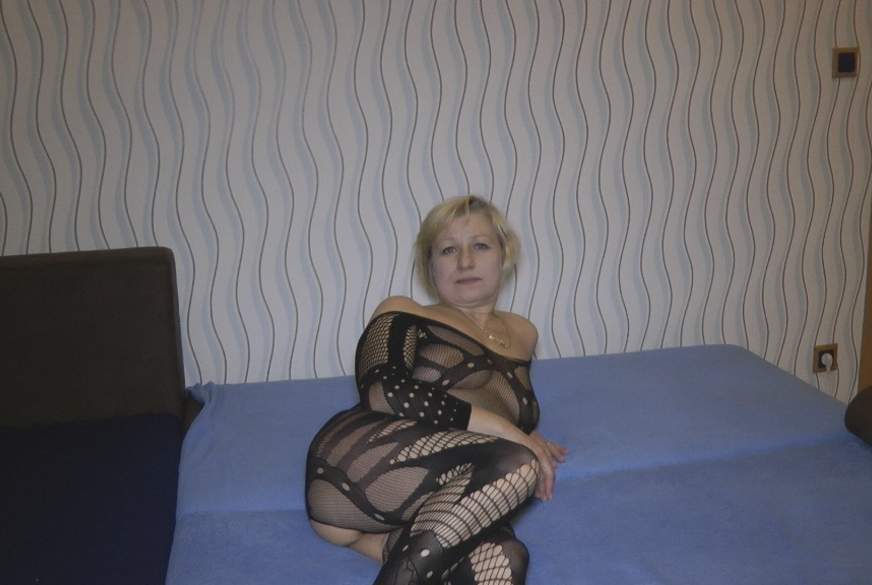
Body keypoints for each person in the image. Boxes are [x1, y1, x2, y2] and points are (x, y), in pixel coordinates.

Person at [305, 195, 567, 585]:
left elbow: (492, 404)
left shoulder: (523, 333)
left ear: (504, 255)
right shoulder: (406, 310)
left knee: (504, 559)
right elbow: (383, 390)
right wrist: (510, 432)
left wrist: (523, 428)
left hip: (432, 510)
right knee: (518, 462)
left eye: (480, 245)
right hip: (362, 471)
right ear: (431, 266)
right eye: (448, 250)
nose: (465, 261)